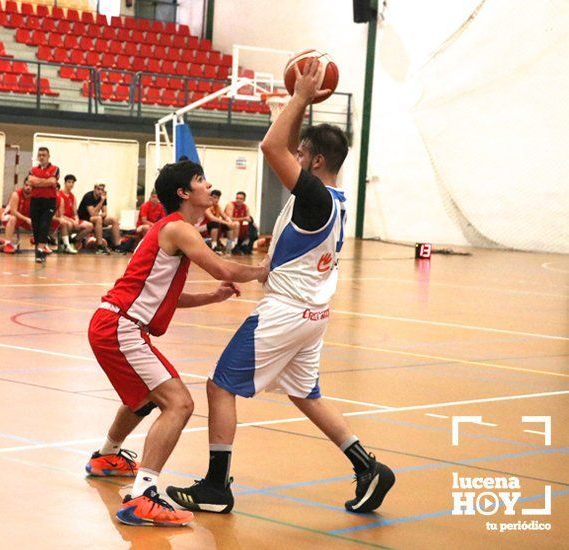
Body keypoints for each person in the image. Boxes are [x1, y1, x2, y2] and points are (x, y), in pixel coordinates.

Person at [167, 58, 395, 515]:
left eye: (303, 154)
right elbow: (286, 145)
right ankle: (368, 466)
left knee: (219, 386)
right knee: (304, 393)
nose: (295, 157)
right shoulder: (330, 200)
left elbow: (272, 145)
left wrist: (300, 97)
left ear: (316, 162)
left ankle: (216, 488)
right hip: (312, 315)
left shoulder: (313, 197)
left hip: (286, 312)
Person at [85, 159, 270, 527]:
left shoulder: (170, 230)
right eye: (201, 179)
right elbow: (223, 267)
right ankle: (142, 495)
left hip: (113, 323)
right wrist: (264, 269)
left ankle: (107, 457)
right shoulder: (180, 228)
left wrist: (212, 298)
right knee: (179, 403)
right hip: (121, 326)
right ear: (184, 193)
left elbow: (165, 295)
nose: (209, 184)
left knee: (145, 400)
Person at [27, 146, 60, 263]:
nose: (41, 157)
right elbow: (30, 181)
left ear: (48, 156)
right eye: (39, 155)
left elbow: (53, 181)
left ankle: (40, 250)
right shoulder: (32, 169)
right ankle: (39, 249)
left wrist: (38, 181)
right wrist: (46, 181)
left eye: (44, 155)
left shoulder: (55, 169)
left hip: (49, 201)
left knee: (44, 225)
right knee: (35, 226)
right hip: (35, 201)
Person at [77, 182, 120, 254]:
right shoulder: (88, 196)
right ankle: (99, 247)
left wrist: (99, 214)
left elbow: (105, 212)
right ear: (94, 189)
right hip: (84, 218)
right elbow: (92, 214)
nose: (100, 191)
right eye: (98, 189)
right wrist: (102, 201)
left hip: (95, 217)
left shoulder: (102, 196)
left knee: (114, 219)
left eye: (102, 190)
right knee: (98, 219)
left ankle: (117, 246)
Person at [0, 180, 32, 254]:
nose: (28, 187)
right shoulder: (16, 194)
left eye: (30, 186)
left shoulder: (34, 196)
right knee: (13, 218)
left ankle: (40, 244)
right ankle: (7, 244)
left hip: (22, 218)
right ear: (23, 185)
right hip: (8, 216)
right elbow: (13, 212)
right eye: (26, 185)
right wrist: (26, 219)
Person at [55, 175, 85, 254]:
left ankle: (72, 240)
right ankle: (65, 244)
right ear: (65, 183)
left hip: (71, 218)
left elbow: (75, 212)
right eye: (69, 182)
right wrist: (72, 221)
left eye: (72, 182)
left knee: (89, 226)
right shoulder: (59, 195)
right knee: (69, 224)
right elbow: (59, 215)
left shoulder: (73, 196)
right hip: (63, 218)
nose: (71, 184)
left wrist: (77, 219)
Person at [204, 190, 239, 254]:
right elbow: (212, 218)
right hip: (203, 226)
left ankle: (230, 247)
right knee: (215, 223)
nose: (216, 200)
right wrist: (226, 222)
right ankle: (214, 246)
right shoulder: (206, 206)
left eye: (218, 198)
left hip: (213, 226)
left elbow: (224, 216)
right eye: (214, 197)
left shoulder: (218, 206)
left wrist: (230, 222)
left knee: (228, 225)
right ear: (210, 197)